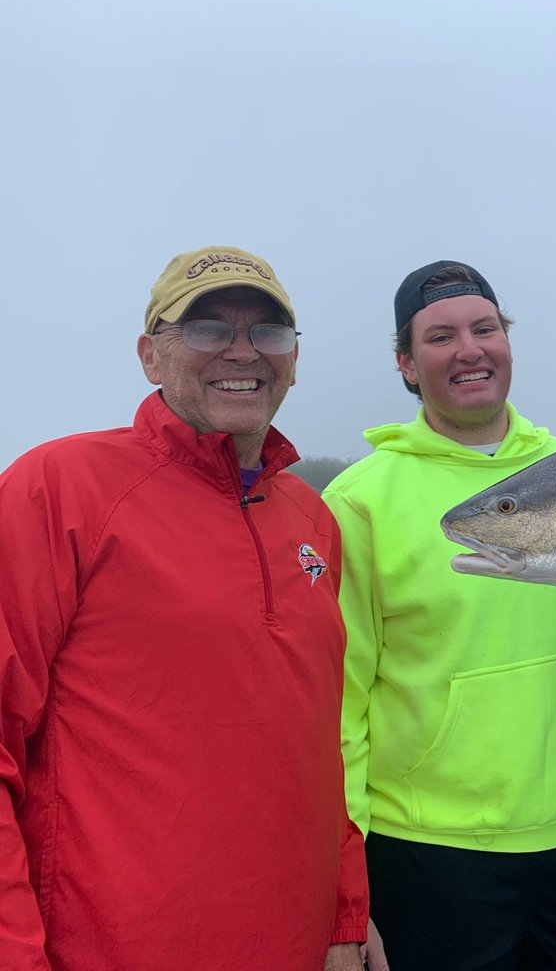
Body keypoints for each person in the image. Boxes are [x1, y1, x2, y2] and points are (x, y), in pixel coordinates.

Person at [0, 246, 369, 971]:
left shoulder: (308, 517)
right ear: (150, 355)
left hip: (293, 943)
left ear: (294, 358)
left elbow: (316, 743)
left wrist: (344, 916)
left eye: (268, 331)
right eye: (206, 329)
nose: (243, 351)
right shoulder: (58, 487)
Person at [323, 260, 556, 971]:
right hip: (427, 854)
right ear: (406, 364)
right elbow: (336, 707)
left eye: (484, 329)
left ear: (507, 343)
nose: (469, 350)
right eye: (439, 337)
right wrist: (346, 884)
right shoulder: (358, 501)